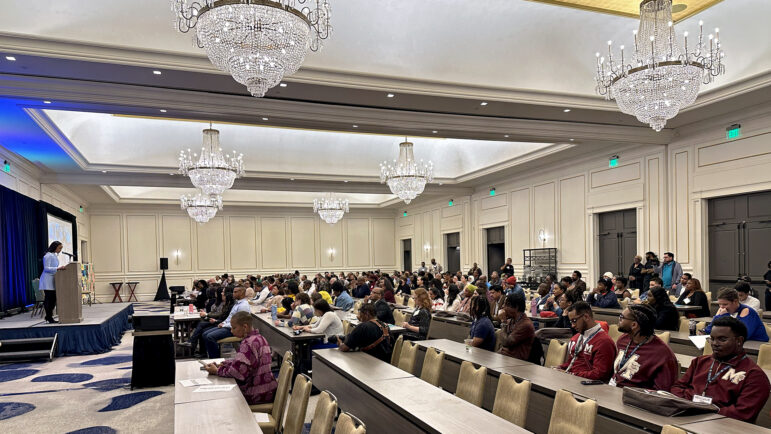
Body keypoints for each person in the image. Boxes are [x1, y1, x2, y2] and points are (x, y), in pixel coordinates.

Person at [671, 316, 771, 423]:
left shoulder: (754, 375)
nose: (714, 343)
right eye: (712, 339)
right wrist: (690, 404)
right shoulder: (700, 362)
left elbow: (742, 414)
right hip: (688, 416)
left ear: (739, 341)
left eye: (722, 339)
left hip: (724, 426)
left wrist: (703, 410)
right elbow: (677, 388)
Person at [204, 311, 278, 405]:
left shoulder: (247, 344)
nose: (231, 331)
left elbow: (238, 373)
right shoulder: (260, 338)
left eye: (234, 328)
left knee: (220, 399)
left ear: (245, 327)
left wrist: (217, 371)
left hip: (255, 394)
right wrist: (226, 364)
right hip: (268, 390)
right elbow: (246, 363)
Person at [611, 304, 678, 390]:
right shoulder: (622, 340)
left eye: (622, 317)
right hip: (612, 390)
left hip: (635, 399)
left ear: (634, 325)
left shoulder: (663, 354)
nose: (619, 319)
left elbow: (662, 392)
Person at [557, 301, 617, 381]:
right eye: (570, 322)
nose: (572, 325)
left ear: (586, 317)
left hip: (589, 387)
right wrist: (560, 367)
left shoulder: (604, 342)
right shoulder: (576, 338)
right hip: (572, 380)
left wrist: (571, 374)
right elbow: (572, 363)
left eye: (574, 321)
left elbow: (600, 374)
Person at [202, 285, 251, 358]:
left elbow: (239, 323)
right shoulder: (237, 303)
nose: (233, 294)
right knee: (205, 333)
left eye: (235, 292)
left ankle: (215, 360)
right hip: (229, 326)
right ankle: (211, 357)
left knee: (209, 337)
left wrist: (224, 325)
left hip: (235, 330)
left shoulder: (243, 306)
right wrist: (223, 323)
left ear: (241, 293)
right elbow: (230, 317)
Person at [704, 288, 769, 342]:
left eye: (725, 304)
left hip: (757, 344)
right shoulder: (724, 310)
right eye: (720, 304)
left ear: (735, 301)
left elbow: (743, 335)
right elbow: (709, 330)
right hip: (742, 344)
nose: (721, 307)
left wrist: (724, 316)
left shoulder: (747, 311)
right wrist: (718, 316)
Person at [187, 288, 233, 356]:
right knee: (202, 328)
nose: (221, 294)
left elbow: (223, 317)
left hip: (224, 325)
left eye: (223, 292)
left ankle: (214, 357)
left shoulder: (228, 305)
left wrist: (209, 316)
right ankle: (202, 351)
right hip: (220, 322)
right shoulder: (225, 304)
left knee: (204, 330)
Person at [498, 293, 536, 361]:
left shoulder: (525, 325)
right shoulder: (511, 321)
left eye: (507, 305)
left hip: (517, 362)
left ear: (516, 307)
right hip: (506, 358)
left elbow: (506, 343)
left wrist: (503, 322)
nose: (503, 307)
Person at [40, 241, 66, 324]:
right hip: (47, 280)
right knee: (49, 299)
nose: (60, 250)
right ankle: (49, 317)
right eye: (59, 248)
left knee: (53, 299)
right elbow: (46, 268)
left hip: (53, 280)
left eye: (61, 248)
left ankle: (48, 316)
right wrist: (58, 269)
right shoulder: (48, 256)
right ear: (54, 247)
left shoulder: (53, 255)